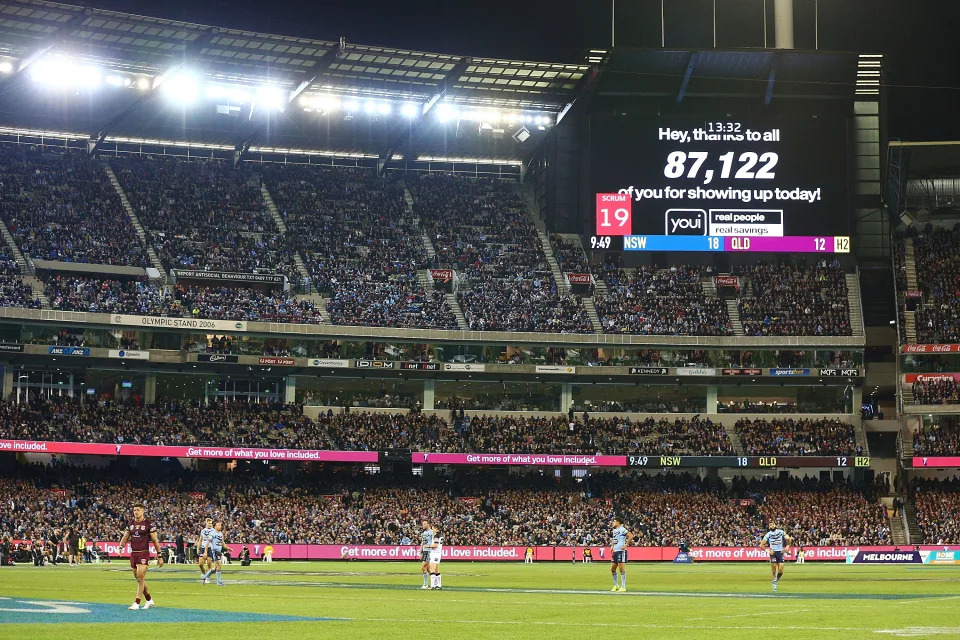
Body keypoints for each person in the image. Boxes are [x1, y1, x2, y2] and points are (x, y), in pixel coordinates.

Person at [117, 503, 164, 610]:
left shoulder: (149, 524)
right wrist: (120, 547)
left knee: (140, 577)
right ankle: (149, 599)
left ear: (143, 511)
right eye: (134, 510)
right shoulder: (131, 523)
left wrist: (160, 556)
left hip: (143, 553)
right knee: (140, 579)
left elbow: (155, 541)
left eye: (138, 510)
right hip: (134, 553)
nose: (136, 512)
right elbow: (125, 537)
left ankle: (136, 603)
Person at [760, 521, 793, 592]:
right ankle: (774, 586)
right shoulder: (768, 534)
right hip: (773, 553)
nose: (772, 526)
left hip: (780, 552)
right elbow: (761, 545)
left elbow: (788, 538)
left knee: (781, 570)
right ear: (769, 527)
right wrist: (768, 551)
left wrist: (787, 546)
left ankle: (775, 581)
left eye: (773, 524)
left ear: (775, 525)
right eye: (770, 525)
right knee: (774, 570)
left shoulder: (781, 532)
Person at [200, 521, 229, 587]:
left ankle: (204, 577)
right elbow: (207, 543)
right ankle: (219, 582)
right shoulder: (212, 534)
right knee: (219, 566)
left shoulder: (221, 534)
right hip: (214, 551)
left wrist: (228, 548)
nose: (220, 526)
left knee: (215, 568)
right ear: (215, 526)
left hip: (219, 552)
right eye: (218, 525)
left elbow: (223, 543)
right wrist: (205, 551)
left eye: (220, 525)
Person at [610, 517, 633, 592]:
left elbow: (631, 536)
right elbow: (614, 539)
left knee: (621, 569)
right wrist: (612, 546)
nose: (613, 523)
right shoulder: (614, 530)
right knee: (613, 569)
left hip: (621, 551)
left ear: (618, 522)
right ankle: (616, 585)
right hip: (615, 551)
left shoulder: (622, 529)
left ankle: (623, 587)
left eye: (614, 521)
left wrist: (626, 544)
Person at [420, 519, 434, 589]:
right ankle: (433, 584)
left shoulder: (432, 532)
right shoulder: (423, 533)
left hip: (429, 551)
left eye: (425, 524)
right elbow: (422, 543)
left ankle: (425, 585)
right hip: (425, 551)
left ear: (428, 524)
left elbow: (434, 542)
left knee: (422, 567)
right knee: (428, 569)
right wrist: (420, 552)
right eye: (423, 524)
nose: (423, 525)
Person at [428, 525, 443, 590]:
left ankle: (432, 585)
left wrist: (427, 546)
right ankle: (438, 585)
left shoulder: (436, 535)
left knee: (432, 568)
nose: (432, 530)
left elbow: (436, 545)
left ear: (436, 529)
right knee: (437, 570)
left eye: (433, 528)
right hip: (438, 553)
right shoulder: (441, 535)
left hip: (435, 553)